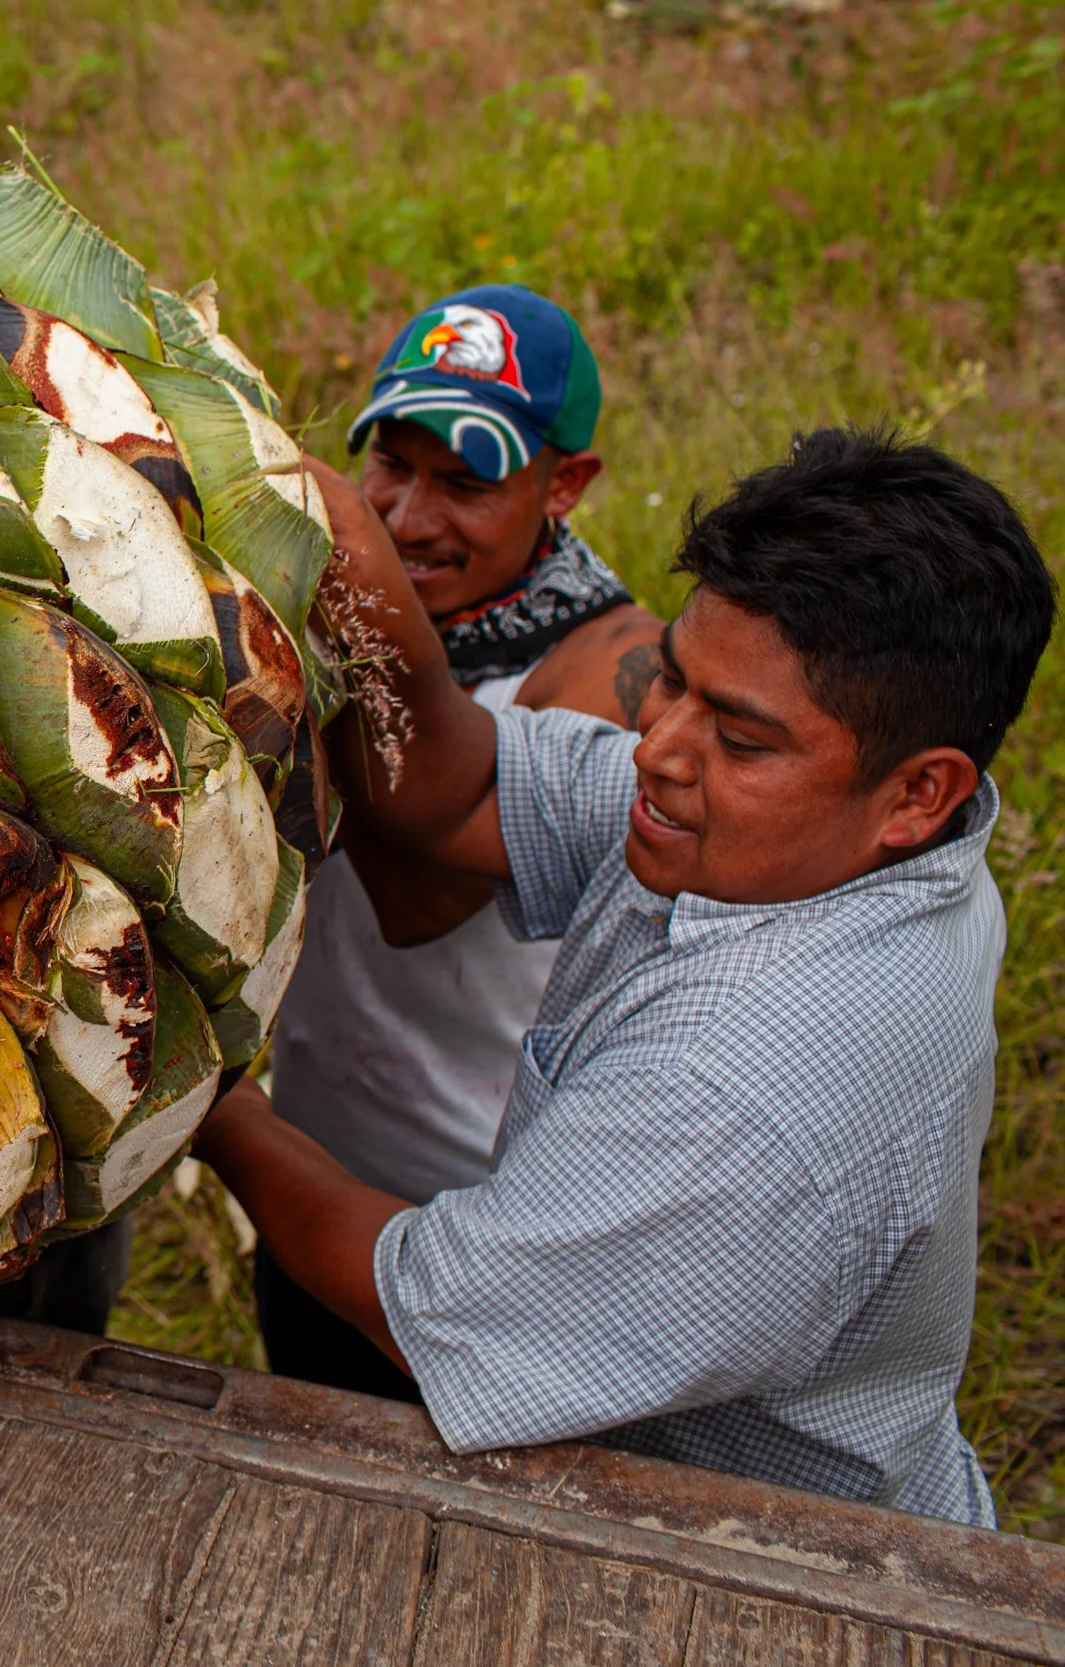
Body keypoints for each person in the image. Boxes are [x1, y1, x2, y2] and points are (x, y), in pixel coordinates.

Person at [196, 427, 1053, 1524]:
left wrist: (211, 1102)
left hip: (745, 1565)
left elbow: (419, 1310)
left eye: (738, 738)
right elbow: (460, 790)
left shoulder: (746, 1091)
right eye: (676, 681)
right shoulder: (815, 840)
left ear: (918, 792)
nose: (658, 746)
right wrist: (362, 585)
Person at [265, 285, 662, 1400]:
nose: (407, 518)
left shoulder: (610, 668)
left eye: (464, 483)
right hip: (318, 1161)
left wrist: (342, 618)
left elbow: (420, 895)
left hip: (470, 1212)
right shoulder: (352, 609)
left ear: (564, 483)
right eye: (388, 466)